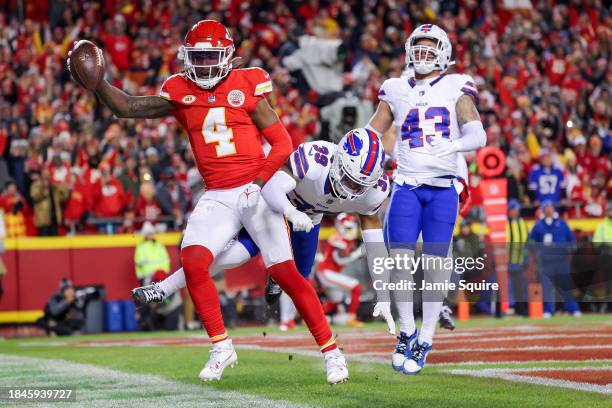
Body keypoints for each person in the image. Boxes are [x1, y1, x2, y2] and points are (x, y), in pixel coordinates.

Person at [69, 20, 347, 384]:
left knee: (285, 273)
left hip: (254, 187)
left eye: (210, 56)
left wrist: (261, 182)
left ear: (227, 57)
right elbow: (127, 107)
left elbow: (282, 142)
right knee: (195, 260)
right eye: (197, 56)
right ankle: (221, 346)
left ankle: (332, 353)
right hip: (217, 192)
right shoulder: (179, 89)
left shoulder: (247, 84)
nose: (202, 64)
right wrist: (99, 84)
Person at [133, 128, 395, 335]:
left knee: (298, 281)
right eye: (349, 179)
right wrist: (291, 213)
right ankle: (163, 288)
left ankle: (276, 276)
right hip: (273, 206)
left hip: (310, 217)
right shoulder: (315, 160)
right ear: (339, 161)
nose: (351, 190)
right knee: (236, 255)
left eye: (360, 185)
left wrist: (382, 293)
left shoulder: (373, 190)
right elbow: (271, 190)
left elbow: (374, 243)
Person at [366, 24, 487, 374]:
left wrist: (455, 144)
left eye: (429, 48)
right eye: (417, 48)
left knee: (435, 268)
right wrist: (356, 148)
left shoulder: (455, 86)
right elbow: (373, 131)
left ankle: (426, 338)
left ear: (444, 52)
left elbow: (477, 133)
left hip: (442, 188)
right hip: (405, 185)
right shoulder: (395, 88)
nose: (422, 54)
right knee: (400, 263)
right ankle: (406, 330)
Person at [528, 200, 581, 318]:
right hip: (546, 262)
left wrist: (567, 248)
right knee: (546, 287)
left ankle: (573, 309)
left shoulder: (562, 224)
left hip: (561, 260)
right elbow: (531, 242)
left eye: (550, 207)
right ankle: (548, 310)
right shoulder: (538, 226)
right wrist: (538, 251)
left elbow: (571, 241)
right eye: (546, 207)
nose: (548, 209)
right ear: (542, 209)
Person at [316, 213, 365, 327]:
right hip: (326, 272)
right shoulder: (338, 239)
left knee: (335, 302)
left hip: (329, 273)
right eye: (348, 227)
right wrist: (357, 254)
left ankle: (312, 318)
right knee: (355, 287)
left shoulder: (346, 240)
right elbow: (339, 260)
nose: (351, 231)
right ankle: (351, 318)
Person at [506, 199, 529, 316]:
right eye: (513, 209)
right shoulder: (505, 223)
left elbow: (527, 243)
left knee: (520, 286)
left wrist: (526, 257)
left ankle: (521, 309)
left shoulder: (522, 223)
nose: (515, 212)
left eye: (517, 210)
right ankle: (509, 308)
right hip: (507, 261)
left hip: (519, 261)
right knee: (508, 287)